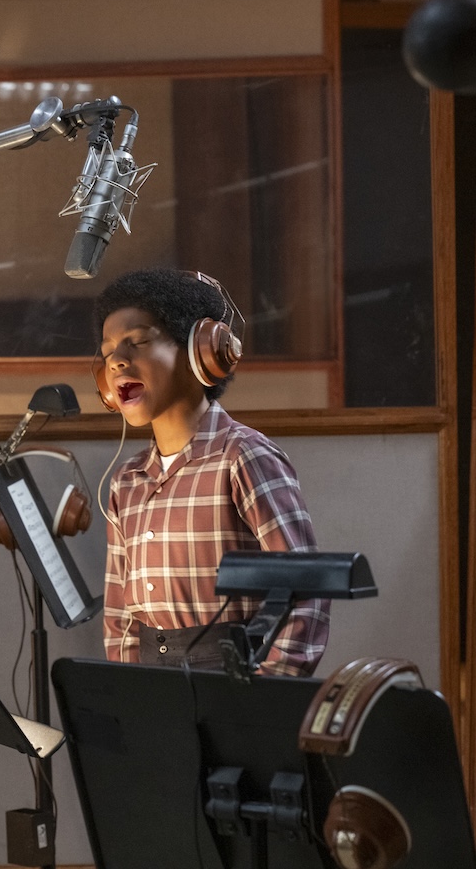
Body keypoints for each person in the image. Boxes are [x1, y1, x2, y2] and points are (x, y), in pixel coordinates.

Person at [93, 267, 328, 676]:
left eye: (138, 342)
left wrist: (272, 683)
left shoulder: (243, 457)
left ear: (201, 353)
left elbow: (305, 586)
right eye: (109, 349)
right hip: (152, 679)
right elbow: (119, 610)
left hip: (234, 675)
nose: (117, 361)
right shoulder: (125, 481)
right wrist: (128, 693)